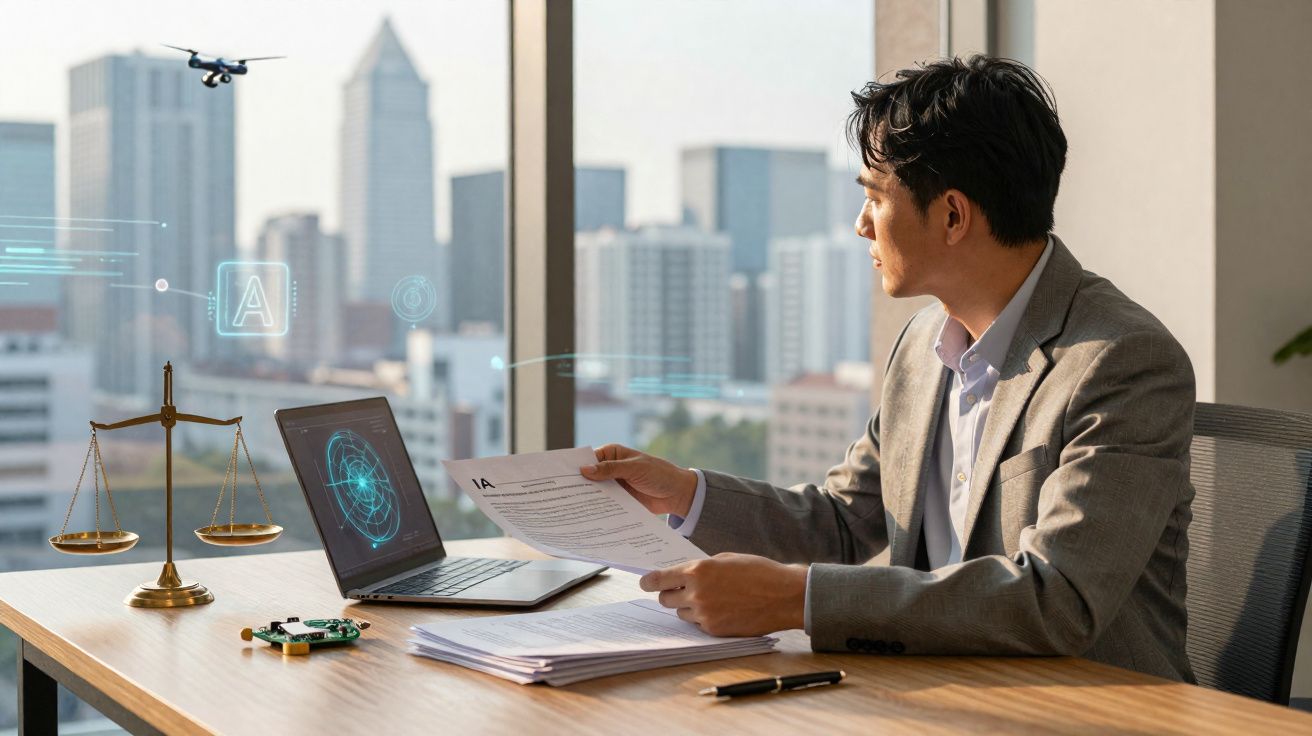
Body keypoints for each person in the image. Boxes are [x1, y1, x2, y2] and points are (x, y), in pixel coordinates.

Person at [580, 55, 1196, 682]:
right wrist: (685, 493)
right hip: (937, 693)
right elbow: (847, 520)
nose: (860, 225)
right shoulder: (925, 344)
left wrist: (798, 599)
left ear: (953, 216)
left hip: (1089, 707)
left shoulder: (1121, 361)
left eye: (875, 197)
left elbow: (1058, 600)